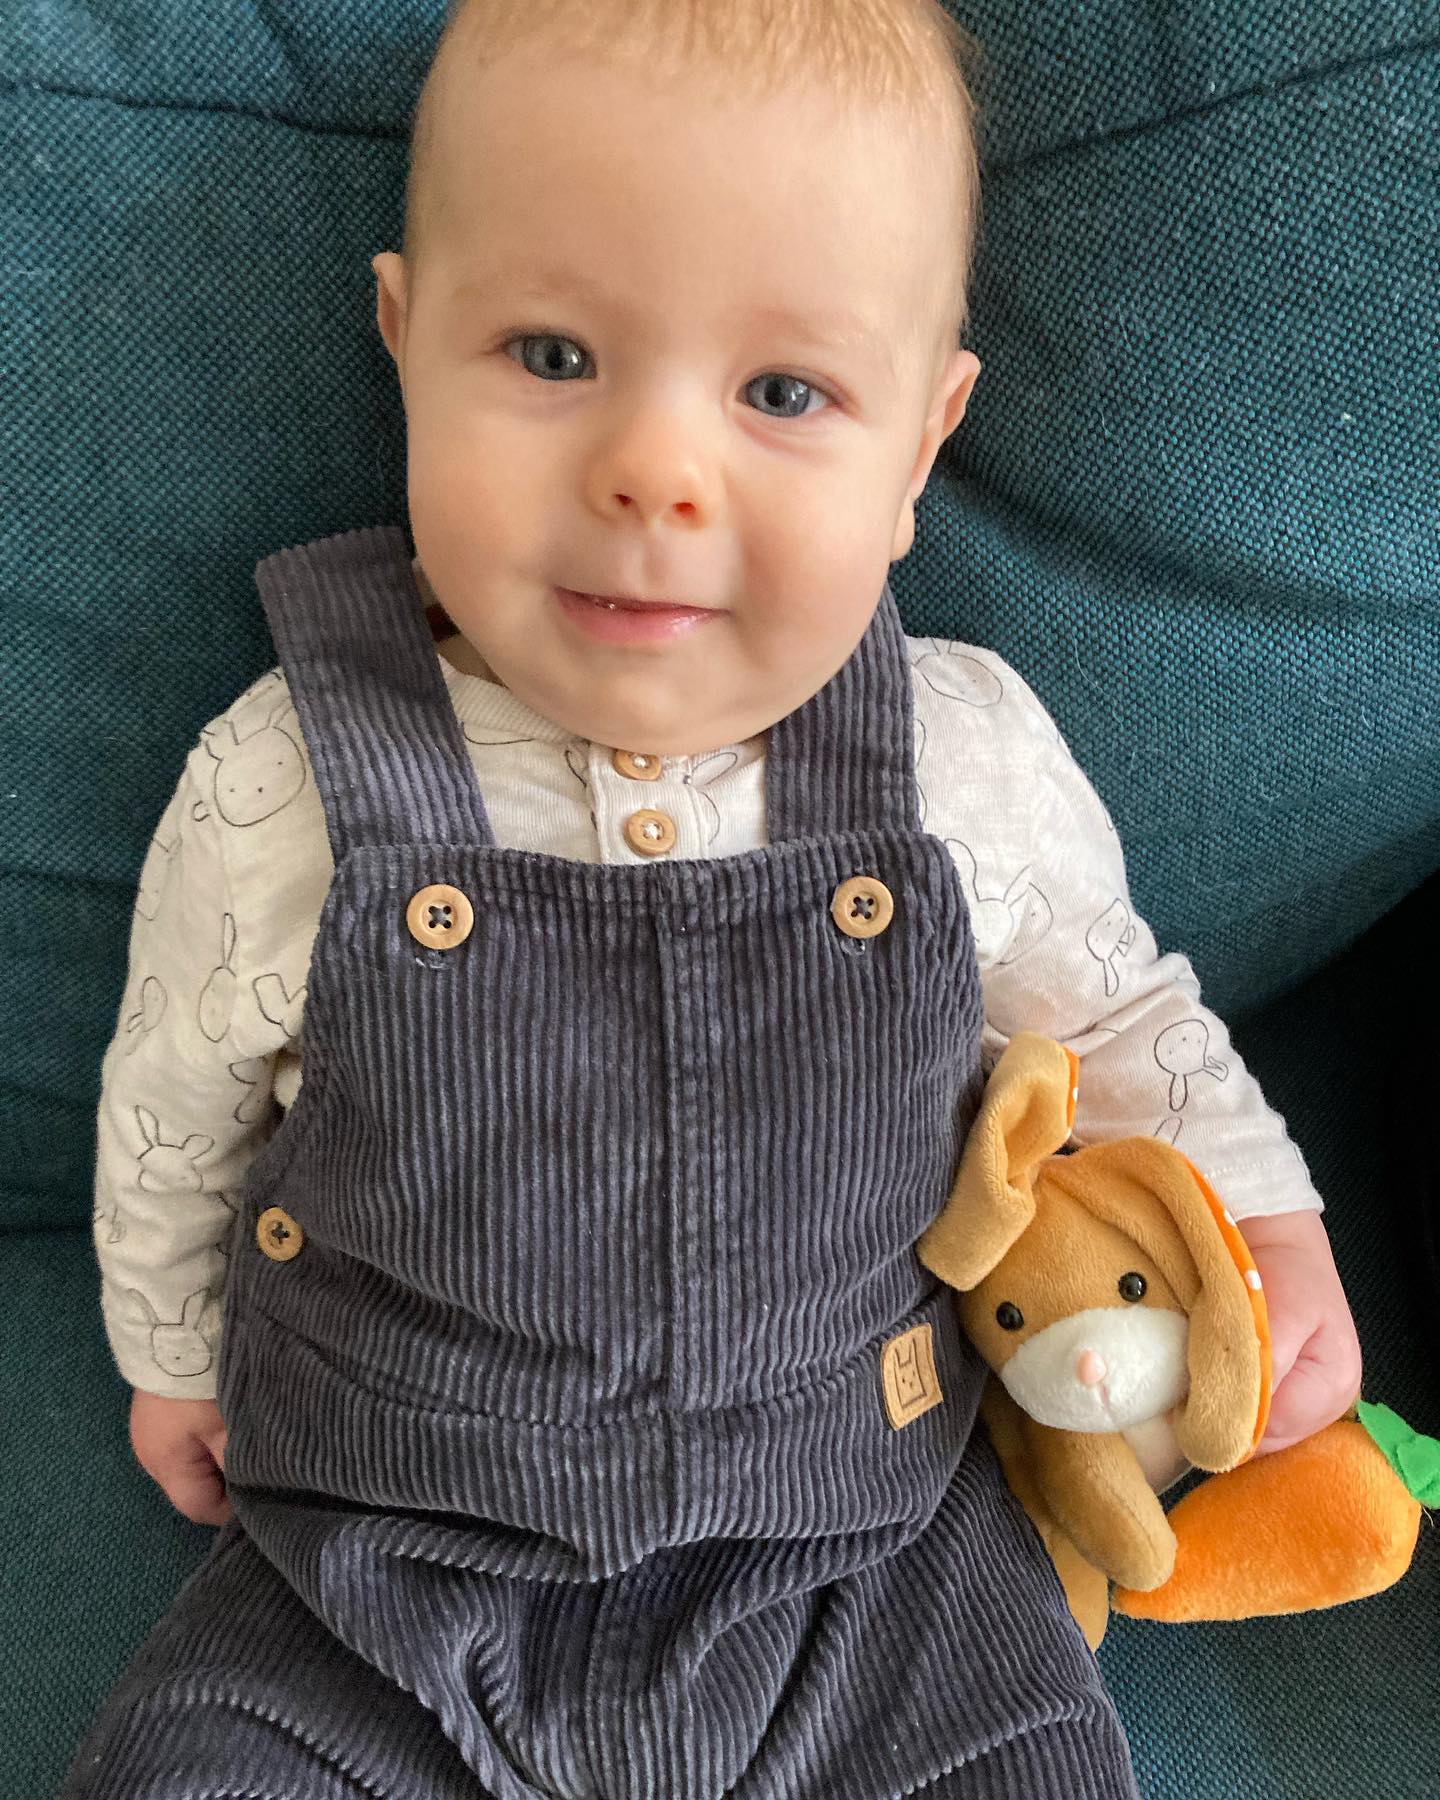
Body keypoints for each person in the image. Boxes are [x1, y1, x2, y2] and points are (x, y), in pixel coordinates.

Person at [61, 1, 1362, 1794]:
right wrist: (167, 1356)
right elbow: (175, 1102)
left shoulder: (959, 762)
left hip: (875, 1557)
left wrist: (1267, 1219)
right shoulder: (286, 775)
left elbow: (1120, 1014)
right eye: (551, 354)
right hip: (373, 1558)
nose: (654, 474)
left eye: (783, 394)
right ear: (405, 343)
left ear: (920, 450)